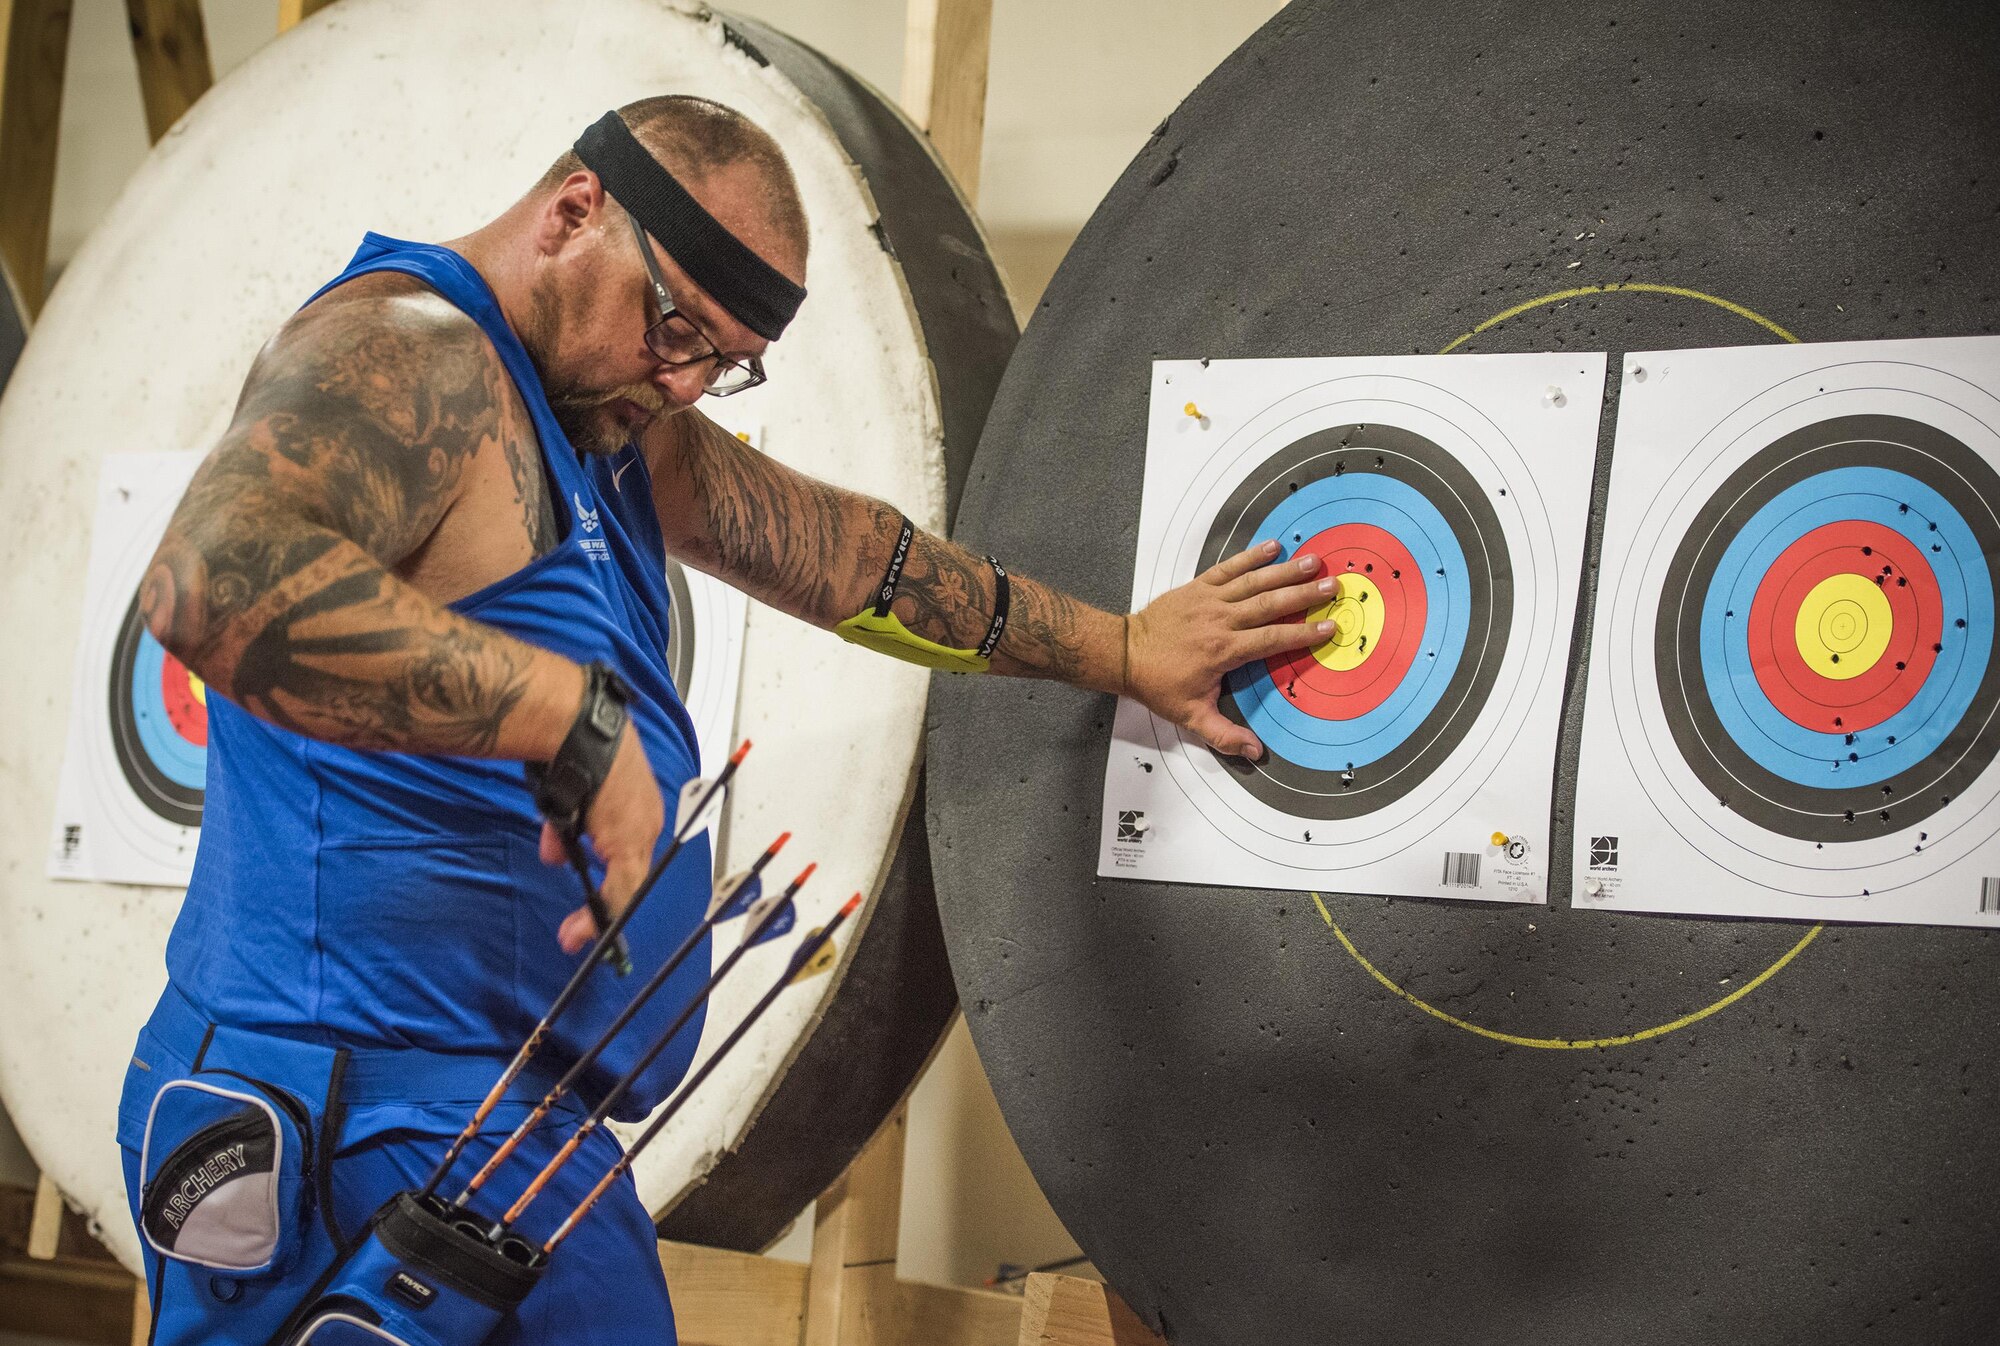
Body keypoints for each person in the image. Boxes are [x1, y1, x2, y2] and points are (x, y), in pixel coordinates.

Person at [118, 95, 1336, 1345]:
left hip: (499, 1121)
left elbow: (856, 562)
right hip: (337, 1098)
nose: (688, 379)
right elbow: (213, 581)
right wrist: (571, 720)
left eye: (725, 359)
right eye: (675, 328)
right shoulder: (411, 349)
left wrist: (1124, 648)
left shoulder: (613, 425)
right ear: (573, 212)